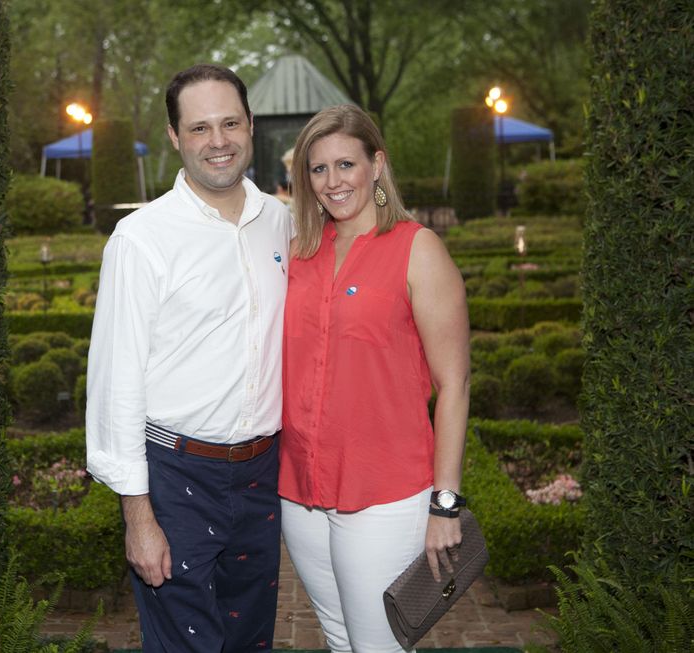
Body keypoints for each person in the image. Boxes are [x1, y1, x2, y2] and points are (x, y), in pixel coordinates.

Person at [86, 64, 292, 653]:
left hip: (260, 476)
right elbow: (115, 381)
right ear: (175, 137)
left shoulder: (280, 222)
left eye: (230, 123)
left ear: (250, 126)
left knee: (250, 640)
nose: (218, 140)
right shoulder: (141, 238)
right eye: (199, 128)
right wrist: (138, 517)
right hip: (175, 479)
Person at [279, 104, 470, 652]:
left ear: (377, 164)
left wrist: (445, 503)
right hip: (301, 494)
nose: (333, 181)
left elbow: (454, 384)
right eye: (318, 169)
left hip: (384, 495)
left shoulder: (418, 249)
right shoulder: (298, 254)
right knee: (340, 641)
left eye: (346, 164)